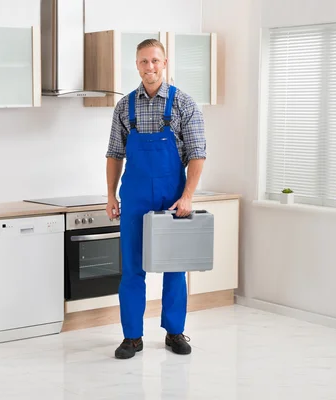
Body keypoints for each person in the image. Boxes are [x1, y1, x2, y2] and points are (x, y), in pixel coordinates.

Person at [105, 38, 206, 359]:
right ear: (136, 65)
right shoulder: (124, 106)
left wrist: (188, 196)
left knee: (174, 268)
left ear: (165, 63)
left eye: (155, 61)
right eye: (144, 61)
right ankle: (132, 337)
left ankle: (175, 332)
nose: (150, 67)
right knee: (133, 269)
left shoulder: (183, 104)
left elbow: (197, 154)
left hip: (172, 197)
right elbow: (114, 154)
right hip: (133, 196)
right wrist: (110, 194)